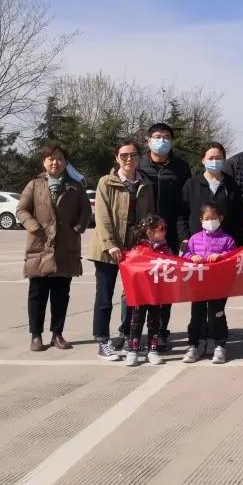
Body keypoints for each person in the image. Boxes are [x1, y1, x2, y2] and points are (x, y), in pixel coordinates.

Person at [16, 142, 90, 353]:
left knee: (61, 294)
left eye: (59, 158)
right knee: (37, 293)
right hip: (40, 245)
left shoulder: (75, 186)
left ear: (65, 162)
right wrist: (33, 226)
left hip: (66, 246)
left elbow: (86, 211)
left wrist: (77, 228)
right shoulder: (34, 184)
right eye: (51, 158)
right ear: (44, 162)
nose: (55, 162)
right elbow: (21, 209)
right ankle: (36, 336)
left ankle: (57, 334)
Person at [87, 139, 155, 360]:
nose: (129, 159)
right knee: (104, 296)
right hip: (108, 249)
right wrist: (110, 245)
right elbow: (102, 216)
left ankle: (128, 336)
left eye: (133, 155)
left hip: (134, 251)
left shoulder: (146, 184)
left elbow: (148, 218)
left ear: (139, 157)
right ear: (116, 158)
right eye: (124, 155)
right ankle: (102, 340)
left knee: (132, 297)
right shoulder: (106, 182)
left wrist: (146, 244)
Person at [178, 141, 239, 358]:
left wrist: (229, 252)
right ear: (203, 160)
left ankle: (218, 342)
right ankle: (196, 342)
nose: (214, 161)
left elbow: (238, 217)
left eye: (218, 157)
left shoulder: (230, 185)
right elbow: (182, 215)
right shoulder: (192, 184)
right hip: (197, 258)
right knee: (197, 308)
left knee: (217, 308)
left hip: (221, 260)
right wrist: (185, 242)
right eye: (210, 157)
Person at [136, 122, 192, 350]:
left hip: (167, 235)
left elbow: (183, 207)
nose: (161, 140)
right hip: (141, 235)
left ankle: (160, 331)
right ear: (148, 140)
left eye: (166, 136)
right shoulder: (138, 165)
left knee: (164, 285)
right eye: (157, 136)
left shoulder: (181, 168)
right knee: (136, 284)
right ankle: (130, 331)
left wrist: (182, 237)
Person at [181, 203, 237, 364]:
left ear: (220, 218)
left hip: (218, 285)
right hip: (198, 284)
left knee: (217, 314)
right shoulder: (194, 238)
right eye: (207, 219)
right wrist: (191, 256)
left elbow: (233, 255)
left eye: (213, 218)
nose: (210, 221)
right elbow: (186, 254)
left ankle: (219, 345)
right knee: (196, 315)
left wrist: (221, 256)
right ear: (201, 220)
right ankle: (194, 344)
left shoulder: (227, 239)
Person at [124, 215, 170, 366]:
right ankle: (133, 349)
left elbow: (172, 265)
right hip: (141, 293)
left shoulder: (165, 248)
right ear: (150, 233)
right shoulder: (138, 249)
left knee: (155, 321)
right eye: (161, 229)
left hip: (156, 293)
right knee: (136, 320)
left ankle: (153, 349)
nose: (164, 231)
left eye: (165, 228)